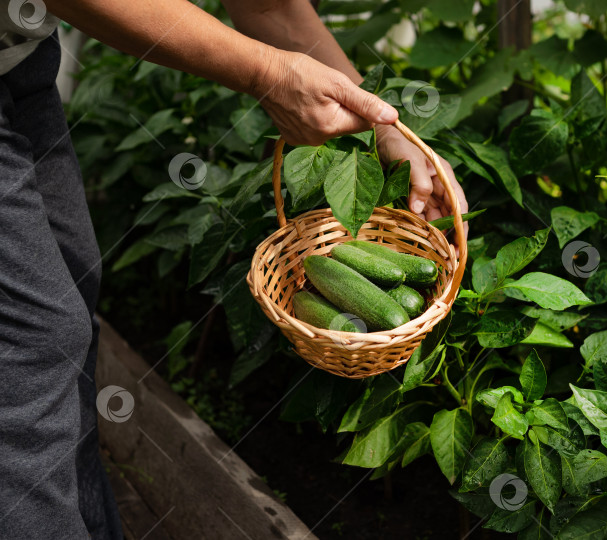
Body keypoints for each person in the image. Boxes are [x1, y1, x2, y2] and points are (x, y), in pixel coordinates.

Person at [0, 0, 468, 538]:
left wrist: (383, 125)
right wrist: (268, 72)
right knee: (35, 344)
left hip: (19, 57)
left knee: (70, 306)